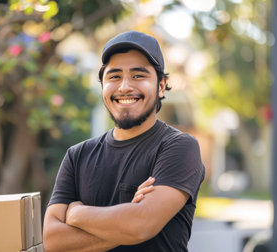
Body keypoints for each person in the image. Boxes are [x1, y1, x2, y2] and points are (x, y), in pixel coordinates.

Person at [43, 30, 205, 252]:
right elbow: (53, 241)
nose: (125, 86)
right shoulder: (77, 155)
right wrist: (128, 219)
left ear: (160, 86)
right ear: (102, 85)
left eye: (138, 75)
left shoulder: (179, 147)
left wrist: (77, 214)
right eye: (114, 76)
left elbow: (141, 225)